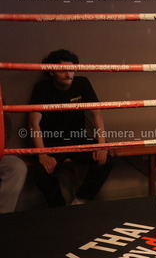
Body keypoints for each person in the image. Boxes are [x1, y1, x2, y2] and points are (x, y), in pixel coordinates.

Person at [28, 49, 113, 206]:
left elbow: (97, 114)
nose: (69, 75)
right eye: (63, 70)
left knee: (108, 157)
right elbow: (34, 122)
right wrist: (42, 154)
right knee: (39, 171)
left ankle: (80, 200)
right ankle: (59, 207)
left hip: (77, 138)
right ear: (52, 72)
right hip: (53, 141)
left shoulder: (82, 83)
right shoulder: (42, 88)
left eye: (71, 69)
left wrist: (102, 145)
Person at [0, 115, 28, 213]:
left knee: (17, 166)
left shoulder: (2, 114)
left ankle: (3, 214)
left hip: (1, 156)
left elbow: (5, 135)